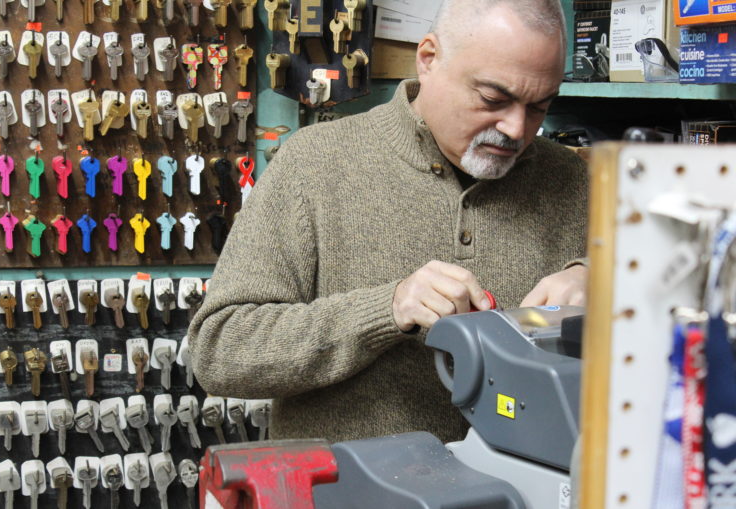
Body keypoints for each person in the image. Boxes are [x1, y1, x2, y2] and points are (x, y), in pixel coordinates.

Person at [188, 0, 589, 444]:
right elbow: (219, 351)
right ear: (429, 59)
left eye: (539, 107)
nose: (516, 128)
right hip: (348, 481)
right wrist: (387, 310)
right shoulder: (313, 163)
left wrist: (603, 285)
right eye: (494, 99)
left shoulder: (571, 178)